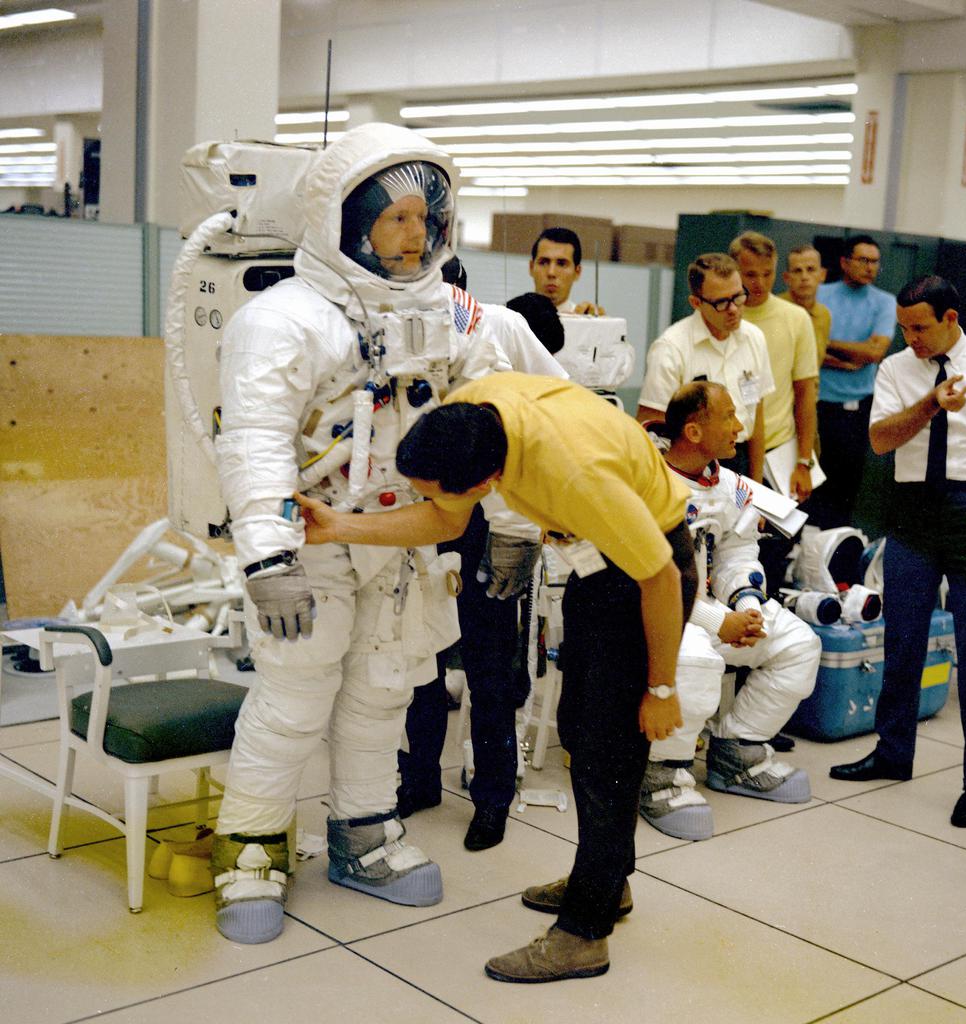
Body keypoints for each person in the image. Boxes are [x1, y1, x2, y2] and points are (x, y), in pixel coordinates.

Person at [297, 372, 698, 983]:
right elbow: (443, 520)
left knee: (606, 753)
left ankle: (583, 934)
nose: (427, 496)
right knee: (583, 732)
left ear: (488, 483)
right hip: (597, 561)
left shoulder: (573, 474)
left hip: (647, 576)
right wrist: (339, 526)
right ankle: (608, 881)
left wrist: (662, 687)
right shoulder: (468, 414)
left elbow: (662, 578)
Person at [211, 123, 508, 945]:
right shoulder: (285, 319)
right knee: (297, 694)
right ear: (348, 224)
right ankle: (253, 847)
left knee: (384, 690)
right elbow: (257, 438)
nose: (415, 237)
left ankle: (364, 831)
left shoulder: (455, 313)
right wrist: (268, 559)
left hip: (405, 536)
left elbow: (506, 416)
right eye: (396, 220)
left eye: (426, 218)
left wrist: (512, 526)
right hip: (309, 533)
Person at [828, 275, 966, 830]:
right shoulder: (897, 368)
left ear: (950, 319)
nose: (910, 337)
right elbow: (881, 440)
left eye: (920, 327)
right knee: (903, 638)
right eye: (903, 327)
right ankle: (892, 752)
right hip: (913, 511)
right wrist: (931, 403)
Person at [395, 291, 570, 851]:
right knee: (416, 654)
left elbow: (550, 410)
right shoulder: (380, 322)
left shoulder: (498, 325)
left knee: (489, 665)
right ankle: (419, 777)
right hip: (418, 509)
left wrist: (518, 531)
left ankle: (492, 797)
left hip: (490, 521)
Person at [639, 381, 819, 841]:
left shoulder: (732, 487)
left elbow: (739, 552)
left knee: (799, 645)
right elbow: (658, 582)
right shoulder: (649, 485)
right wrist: (722, 622)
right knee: (698, 661)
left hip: (713, 609)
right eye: (730, 418)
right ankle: (660, 775)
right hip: (656, 619)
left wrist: (749, 604)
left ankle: (737, 753)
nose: (741, 427)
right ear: (694, 432)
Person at [637, 252, 774, 481]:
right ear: (696, 303)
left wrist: (756, 486)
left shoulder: (754, 338)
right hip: (691, 467)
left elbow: (757, 419)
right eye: (721, 302)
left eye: (738, 297)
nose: (733, 309)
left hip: (739, 457)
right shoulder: (671, 347)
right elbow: (650, 429)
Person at [808, 234, 896, 529]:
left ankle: (834, 558)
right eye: (863, 260)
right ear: (845, 263)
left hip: (856, 410)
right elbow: (808, 350)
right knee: (809, 485)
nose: (870, 267)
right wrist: (847, 358)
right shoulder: (820, 295)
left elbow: (875, 352)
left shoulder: (884, 303)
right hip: (816, 405)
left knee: (844, 488)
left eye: (875, 262)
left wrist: (825, 346)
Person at [731, 231, 819, 503]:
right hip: (728, 447)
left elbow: (805, 393)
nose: (760, 283)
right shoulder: (723, 314)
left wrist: (804, 461)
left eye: (767, 274)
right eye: (750, 274)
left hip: (777, 450)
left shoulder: (796, 318)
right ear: (734, 271)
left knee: (775, 541)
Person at [528, 226, 606, 315]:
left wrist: (599, 326)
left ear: (577, 272)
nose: (551, 272)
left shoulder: (586, 320)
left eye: (561, 264)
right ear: (531, 267)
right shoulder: (511, 318)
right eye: (544, 262)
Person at [782, 243, 832, 368]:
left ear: (822, 275)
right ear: (786, 278)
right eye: (797, 271)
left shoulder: (824, 314)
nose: (804, 277)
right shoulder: (774, 310)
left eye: (810, 269)